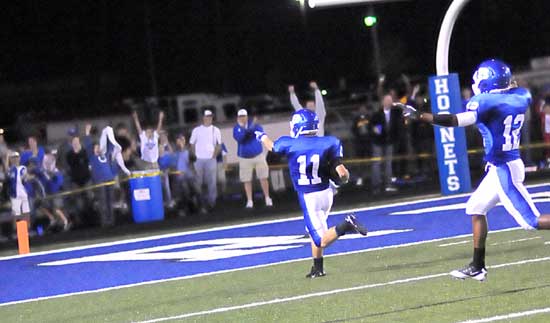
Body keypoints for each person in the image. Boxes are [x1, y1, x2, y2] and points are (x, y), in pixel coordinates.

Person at [398, 59, 550, 281]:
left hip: (503, 169)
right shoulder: (520, 96)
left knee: (530, 221)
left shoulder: (485, 102)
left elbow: (455, 120)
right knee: (476, 208)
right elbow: (516, 88)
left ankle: (478, 265)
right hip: (506, 164)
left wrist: (420, 115)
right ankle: (478, 265)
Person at [255, 109, 368, 278]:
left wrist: (262, 136)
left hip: (309, 197)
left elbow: (272, 147)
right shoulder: (329, 142)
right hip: (327, 193)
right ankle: (318, 267)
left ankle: (346, 224)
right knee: (312, 229)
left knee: (321, 239)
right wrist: (342, 180)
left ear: (298, 126)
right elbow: (343, 174)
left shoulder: (290, 143)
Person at [233, 108, 273, 208]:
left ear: (247, 116)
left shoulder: (256, 125)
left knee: (263, 177)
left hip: (258, 155)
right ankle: (250, 200)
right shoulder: (237, 128)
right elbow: (240, 138)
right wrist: (248, 129)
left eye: (244, 116)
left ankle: (267, 197)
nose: (242, 118)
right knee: (247, 180)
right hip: (244, 158)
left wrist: (249, 130)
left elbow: (260, 134)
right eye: (240, 117)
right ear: (238, 118)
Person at [370, 94, 403, 193]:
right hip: (378, 142)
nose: (388, 102)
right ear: (382, 102)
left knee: (388, 164)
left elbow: (397, 127)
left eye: (390, 100)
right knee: (377, 163)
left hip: (389, 142)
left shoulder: (395, 114)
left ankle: (388, 184)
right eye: (386, 100)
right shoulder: (377, 114)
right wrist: (376, 130)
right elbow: (373, 127)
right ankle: (376, 186)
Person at [189, 109, 222, 211]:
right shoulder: (196, 130)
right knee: (197, 182)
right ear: (203, 118)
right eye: (207, 116)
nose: (209, 118)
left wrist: (213, 156)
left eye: (210, 116)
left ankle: (212, 202)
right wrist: (194, 156)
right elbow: (192, 144)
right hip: (198, 160)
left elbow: (219, 145)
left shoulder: (216, 130)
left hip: (210, 160)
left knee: (211, 182)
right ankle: (199, 202)